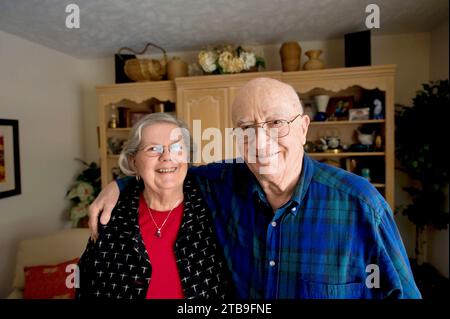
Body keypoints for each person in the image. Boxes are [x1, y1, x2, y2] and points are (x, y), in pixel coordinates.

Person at [89, 78, 421, 299]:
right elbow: (168, 170)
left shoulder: (360, 204)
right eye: (246, 128)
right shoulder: (223, 184)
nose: (260, 142)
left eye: (276, 123)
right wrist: (121, 183)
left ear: (303, 128)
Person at [76, 113, 231, 299]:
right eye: (153, 149)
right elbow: (85, 284)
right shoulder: (112, 214)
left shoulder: (213, 203)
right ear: (133, 161)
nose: (167, 156)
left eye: (177, 147)